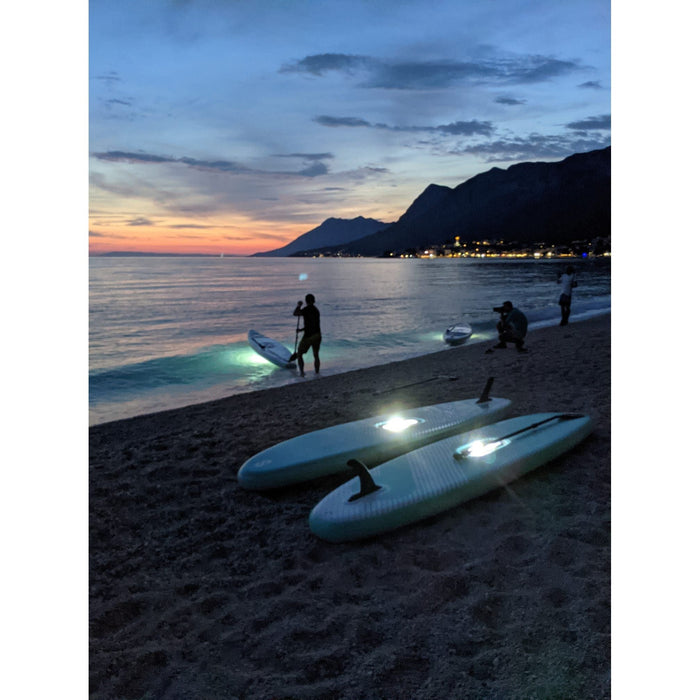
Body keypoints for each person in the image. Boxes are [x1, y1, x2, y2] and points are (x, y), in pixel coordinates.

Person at [292, 293, 321, 376]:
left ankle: (302, 373)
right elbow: (312, 324)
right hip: (317, 335)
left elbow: (295, 313)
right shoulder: (316, 310)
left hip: (308, 336)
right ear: (313, 301)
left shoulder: (306, 309)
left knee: (299, 353)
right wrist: (301, 330)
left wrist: (298, 305)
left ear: (306, 301)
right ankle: (317, 373)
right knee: (316, 355)